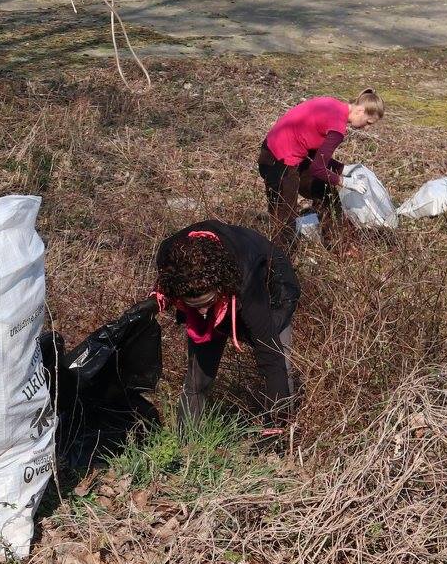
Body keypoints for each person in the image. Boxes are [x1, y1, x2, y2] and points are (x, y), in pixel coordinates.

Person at [154, 221, 301, 431]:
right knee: (198, 375)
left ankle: (279, 433)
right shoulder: (171, 257)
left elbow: (271, 359)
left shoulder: (248, 283)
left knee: (278, 360)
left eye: (207, 303)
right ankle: (185, 438)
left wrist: (274, 431)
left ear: (222, 289)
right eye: (195, 305)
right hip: (222, 286)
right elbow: (166, 286)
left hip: (271, 286)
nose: (203, 312)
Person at [259, 89, 384, 238]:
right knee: (285, 222)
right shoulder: (337, 128)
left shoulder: (331, 104)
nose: (367, 128)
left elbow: (312, 148)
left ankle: (335, 244)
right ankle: (278, 258)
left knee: (327, 195)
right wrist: (343, 181)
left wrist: (341, 168)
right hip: (278, 162)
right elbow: (318, 168)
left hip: (278, 152)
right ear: (360, 110)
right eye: (368, 122)